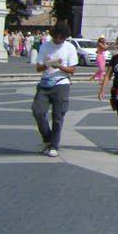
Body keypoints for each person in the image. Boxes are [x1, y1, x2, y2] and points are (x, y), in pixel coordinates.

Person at [32, 21, 78, 158]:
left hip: (61, 83)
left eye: (62, 38)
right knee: (37, 110)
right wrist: (47, 64)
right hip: (45, 83)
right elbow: (38, 68)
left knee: (58, 116)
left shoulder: (69, 47)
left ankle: (54, 145)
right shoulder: (45, 46)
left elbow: (72, 70)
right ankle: (47, 138)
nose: (59, 40)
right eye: (56, 37)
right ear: (53, 35)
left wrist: (60, 66)